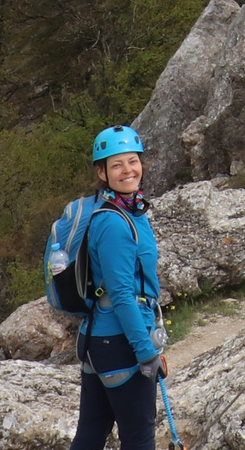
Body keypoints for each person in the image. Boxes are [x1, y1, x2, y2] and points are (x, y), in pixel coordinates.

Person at [72, 125, 166, 450]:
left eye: (132, 161)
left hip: (100, 339)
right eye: (116, 164)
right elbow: (122, 293)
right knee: (139, 439)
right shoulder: (114, 222)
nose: (128, 170)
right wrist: (146, 352)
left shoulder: (130, 211)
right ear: (102, 172)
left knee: (90, 436)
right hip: (121, 343)